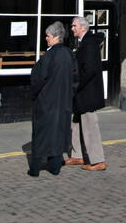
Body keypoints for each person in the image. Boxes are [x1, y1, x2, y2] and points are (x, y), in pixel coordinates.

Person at [28, 21, 75, 177]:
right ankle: (55, 166)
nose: (46, 39)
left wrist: (35, 94)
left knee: (41, 134)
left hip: (46, 102)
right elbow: (75, 78)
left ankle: (35, 168)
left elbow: (38, 77)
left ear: (55, 36)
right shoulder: (69, 54)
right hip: (63, 101)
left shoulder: (49, 55)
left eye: (47, 36)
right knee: (59, 133)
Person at [66, 16, 106, 171]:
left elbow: (88, 70)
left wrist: (76, 85)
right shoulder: (83, 42)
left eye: (74, 26)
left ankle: (98, 160)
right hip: (80, 93)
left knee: (90, 125)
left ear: (83, 27)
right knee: (75, 123)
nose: (72, 28)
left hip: (87, 92)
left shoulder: (89, 44)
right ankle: (77, 156)